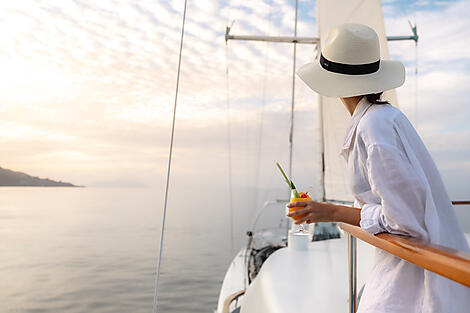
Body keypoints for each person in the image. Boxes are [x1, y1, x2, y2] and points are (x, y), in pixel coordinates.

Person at [288, 23, 470, 313]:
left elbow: (406, 222)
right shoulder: (383, 119)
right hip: (408, 269)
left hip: (413, 279)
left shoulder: (374, 128)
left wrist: (332, 212)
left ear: (333, 83)